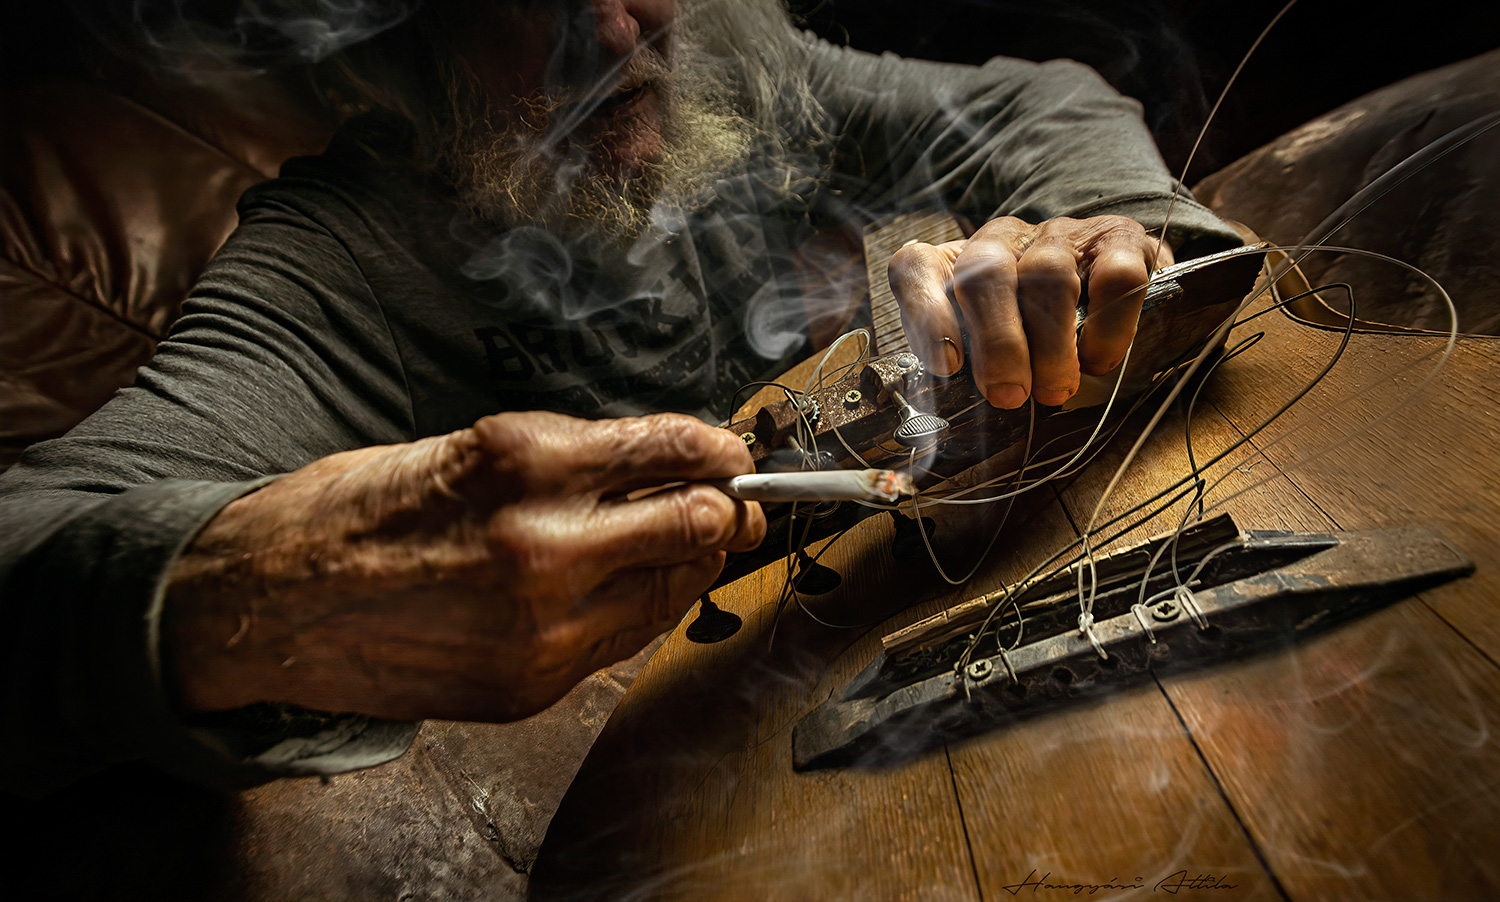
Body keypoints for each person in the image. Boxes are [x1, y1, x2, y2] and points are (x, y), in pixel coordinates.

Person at [0, 0, 1240, 795]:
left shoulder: (724, 53)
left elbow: (1039, 99)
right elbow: (35, 535)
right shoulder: (339, 260)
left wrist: (1101, 237)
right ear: (403, 47)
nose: (607, 31)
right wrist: (252, 590)